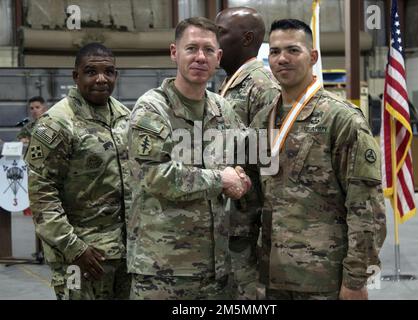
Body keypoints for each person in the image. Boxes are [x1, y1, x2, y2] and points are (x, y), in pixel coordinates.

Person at [251, 19, 387, 300]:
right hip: (272, 277)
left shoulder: (341, 119)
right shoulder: (262, 119)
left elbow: (367, 209)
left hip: (324, 280)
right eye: (274, 52)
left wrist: (356, 280)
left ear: (312, 57)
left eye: (293, 50)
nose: (282, 59)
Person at [127, 17, 251, 300]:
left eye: (208, 50)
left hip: (217, 268)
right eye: (191, 48)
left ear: (218, 57)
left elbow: (238, 157)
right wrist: (221, 179)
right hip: (163, 270)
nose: (200, 57)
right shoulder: (152, 109)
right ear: (174, 52)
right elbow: (155, 176)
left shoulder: (222, 108)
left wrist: (240, 179)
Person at [25, 43, 131, 300]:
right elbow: (42, 197)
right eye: (91, 71)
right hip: (82, 257)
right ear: (76, 76)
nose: (101, 79)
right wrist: (74, 248)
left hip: (125, 254)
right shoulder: (56, 123)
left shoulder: (124, 116)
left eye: (109, 72)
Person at [215, 7, 280, 299]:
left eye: (221, 33)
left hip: (249, 228)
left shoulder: (262, 87)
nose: (214, 40)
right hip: (229, 225)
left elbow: (268, 164)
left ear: (247, 38)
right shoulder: (229, 85)